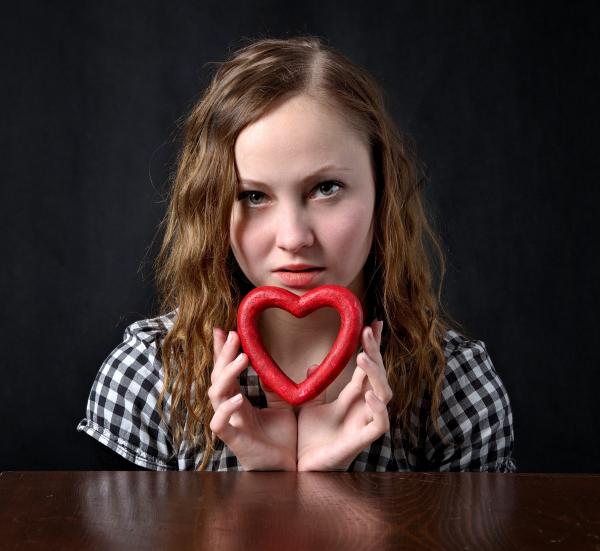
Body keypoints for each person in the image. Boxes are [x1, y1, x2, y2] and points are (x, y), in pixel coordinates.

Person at [77, 35, 516, 472]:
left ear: (384, 193)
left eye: (326, 189)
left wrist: (327, 483)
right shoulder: (148, 377)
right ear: (212, 207)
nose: (293, 238)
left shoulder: (456, 386)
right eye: (252, 196)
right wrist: (270, 476)